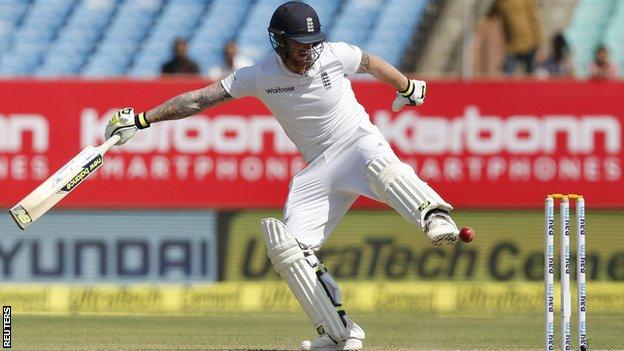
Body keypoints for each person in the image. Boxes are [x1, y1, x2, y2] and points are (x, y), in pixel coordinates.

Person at [105, 2, 464, 350]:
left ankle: (433, 215)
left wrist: (406, 87)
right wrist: (141, 119)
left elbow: (369, 62)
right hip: (318, 168)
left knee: (381, 164)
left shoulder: (335, 54)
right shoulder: (259, 74)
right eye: (299, 45)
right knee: (289, 249)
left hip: (356, 141)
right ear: (279, 41)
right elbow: (200, 100)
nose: (308, 52)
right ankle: (341, 332)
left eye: (312, 44)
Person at [488, 0, 542, 76]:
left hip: (529, 43)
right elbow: (489, 17)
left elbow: (533, 18)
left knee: (530, 74)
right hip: (512, 46)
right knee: (508, 74)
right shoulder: (500, 3)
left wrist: (538, 40)